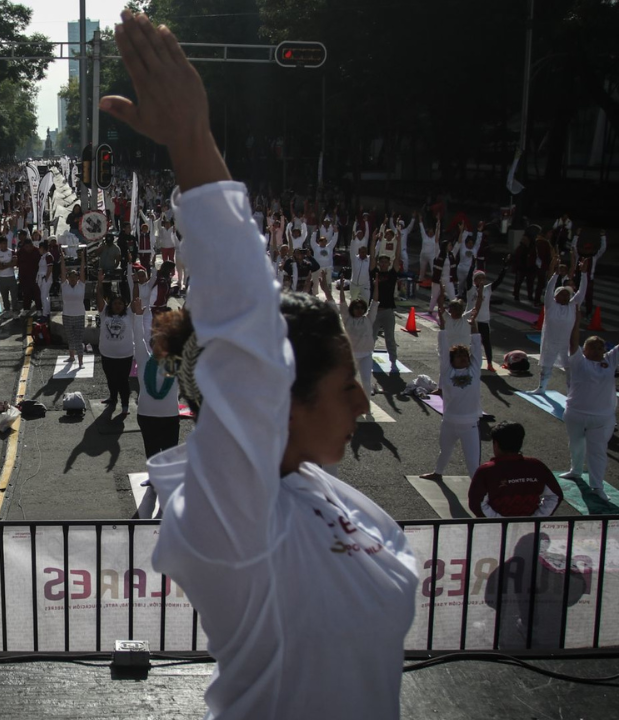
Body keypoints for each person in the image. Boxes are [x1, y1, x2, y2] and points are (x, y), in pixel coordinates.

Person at [104, 13, 416, 718]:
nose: (364, 405)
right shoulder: (226, 526)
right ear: (282, 397)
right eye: (347, 384)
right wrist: (192, 144)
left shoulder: (336, 498)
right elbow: (247, 340)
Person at [420, 291, 483, 481]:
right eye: (459, 357)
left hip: (470, 424)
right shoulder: (447, 370)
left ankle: (478, 491)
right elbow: (443, 338)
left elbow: (477, 345)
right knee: (444, 451)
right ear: (452, 359)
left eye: (465, 357)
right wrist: (442, 323)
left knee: (473, 463)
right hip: (449, 421)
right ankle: (437, 473)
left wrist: (474, 326)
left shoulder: (474, 369)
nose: (463, 359)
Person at [561, 318, 619, 498]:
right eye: (592, 347)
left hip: (602, 418)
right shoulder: (578, 361)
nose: (596, 350)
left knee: (598, 451)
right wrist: (576, 319)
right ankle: (575, 470)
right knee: (576, 445)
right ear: (584, 349)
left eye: (599, 347)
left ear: (605, 350)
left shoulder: (610, 361)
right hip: (575, 414)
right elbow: (573, 341)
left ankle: (597, 486)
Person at [468, 422, 563, 518]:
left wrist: (500, 522)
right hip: (530, 529)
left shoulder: (486, 471)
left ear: (495, 444)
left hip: (495, 530)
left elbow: (476, 504)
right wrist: (536, 518)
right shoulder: (536, 466)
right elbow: (555, 496)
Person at [131, 294, 180, 457]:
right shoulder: (145, 360)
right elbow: (138, 339)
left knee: (169, 454)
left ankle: (166, 481)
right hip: (147, 415)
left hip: (170, 416)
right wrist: (138, 316)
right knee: (151, 453)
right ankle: (153, 478)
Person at [536, 257, 588, 393]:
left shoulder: (572, 306)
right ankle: (541, 388)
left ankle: (571, 391)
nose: (565, 297)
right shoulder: (550, 305)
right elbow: (549, 289)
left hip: (567, 343)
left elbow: (582, 292)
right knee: (546, 367)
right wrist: (556, 274)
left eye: (567, 295)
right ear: (555, 296)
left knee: (570, 368)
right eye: (562, 294)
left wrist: (583, 274)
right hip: (550, 341)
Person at [96, 266, 139, 414]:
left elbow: (135, 299)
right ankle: (112, 398)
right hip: (107, 354)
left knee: (123, 381)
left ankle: (125, 404)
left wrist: (136, 283)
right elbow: (99, 296)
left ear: (124, 305)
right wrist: (99, 282)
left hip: (125, 355)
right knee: (110, 379)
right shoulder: (104, 313)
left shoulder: (129, 313)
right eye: (115, 303)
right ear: (111, 305)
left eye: (120, 303)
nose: (118, 306)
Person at [339, 280, 378, 407]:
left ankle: (366, 403)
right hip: (351, 356)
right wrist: (340, 287)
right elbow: (342, 303)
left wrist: (376, 285)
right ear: (352, 309)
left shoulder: (368, 319)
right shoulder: (347, 319)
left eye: (362, 308)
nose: (359, 310)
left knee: (366, 382)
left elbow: (375, 303)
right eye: (357, 307)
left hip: (366, 355)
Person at [369, 254, 401, 374]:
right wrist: (373, 240)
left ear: (389, 264)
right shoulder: (375, 273)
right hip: (375, 310)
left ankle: (393, 361)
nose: (383, 264)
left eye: (385, 262)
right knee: (371, 336)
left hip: (388, 310)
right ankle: (368, 356)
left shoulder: (391, 275)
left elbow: (397, 260)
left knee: (390, 338)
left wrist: (398, 241)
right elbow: (372, 259)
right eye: (381, 262)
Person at [60, 250, 87, 368]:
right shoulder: (64, 285)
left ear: (78, 277)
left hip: (79, 315)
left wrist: (82, 259)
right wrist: (62, 259)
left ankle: (80, 361)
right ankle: (71, 356)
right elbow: (62, 270)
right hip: (67, 315)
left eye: (75, 276)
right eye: (70, 276)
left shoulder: (81, 285)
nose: (72, 278)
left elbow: (82, 270)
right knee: (70, 337)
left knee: (78, 339)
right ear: (67, 277)